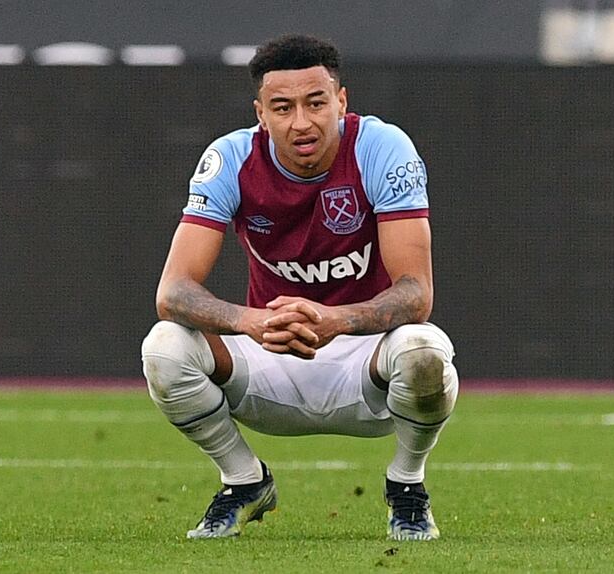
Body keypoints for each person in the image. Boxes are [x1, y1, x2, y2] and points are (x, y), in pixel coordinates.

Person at [141, 34, 458, 541]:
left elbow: (416, 293)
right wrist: (252, 321)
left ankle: (407, 484)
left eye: (316, 103)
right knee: (163, 348)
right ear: (261, 114)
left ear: (342, 101)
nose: (302, 123)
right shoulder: (231, 158)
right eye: (282, 108)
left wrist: (338, 320)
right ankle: (243, 480)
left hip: (367, 366)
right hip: (272, 356)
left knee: (424, 350)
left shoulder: (381, 147)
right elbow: (173, 292)